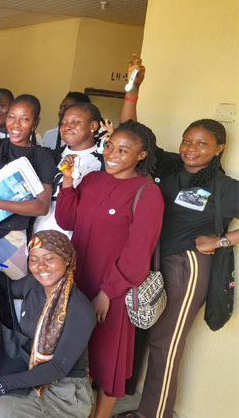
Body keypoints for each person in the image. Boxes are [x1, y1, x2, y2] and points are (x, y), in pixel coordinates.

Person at [116, 57, 239, 418]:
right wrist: (132, 90)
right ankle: (136, 404)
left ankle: (154, 414)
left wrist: (221, 242)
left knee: (165, 343)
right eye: (187, 141)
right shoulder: (169, 167)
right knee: (140, 332)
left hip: (187, 267)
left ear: (218, 149)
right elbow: (131, 133)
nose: (190, 148)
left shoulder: (224, 187)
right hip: (153, 262)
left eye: (201, 144)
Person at [55, 120, 165, 418]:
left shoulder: (146, 192)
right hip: (77, 283)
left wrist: (107, 293)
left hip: (113, 290)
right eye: (109, 146)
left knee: (107, 359)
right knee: (78, 352)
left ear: (141, 155)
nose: (112, 154)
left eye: (123, 150)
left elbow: (138, 252)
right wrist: (67, 181)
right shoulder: (92, 180)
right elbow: (66, 221)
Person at [0, 230, 96, 418]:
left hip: (64, 389)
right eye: (34, 259)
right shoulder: (33, 284)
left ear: (67, 260)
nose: (41, 267)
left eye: (49, 259)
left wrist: (1, 383)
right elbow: (9, 287)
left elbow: (57, 367)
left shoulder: (79, 309)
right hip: (28, 368)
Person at [0, 95, 57, 278]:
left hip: (13, 239)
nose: (16, 124)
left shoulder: (42, 156)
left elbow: (42, 206)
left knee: (12, 292)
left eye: (25, 119)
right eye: (12, 117)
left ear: (35, 122)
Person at [33, 102, 105, 236]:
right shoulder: (51, 157)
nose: (67, 126)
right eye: (64, 122)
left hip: (78, 240)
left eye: (75, 121)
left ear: (93, 126)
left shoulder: (104, 162)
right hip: (40, 235)